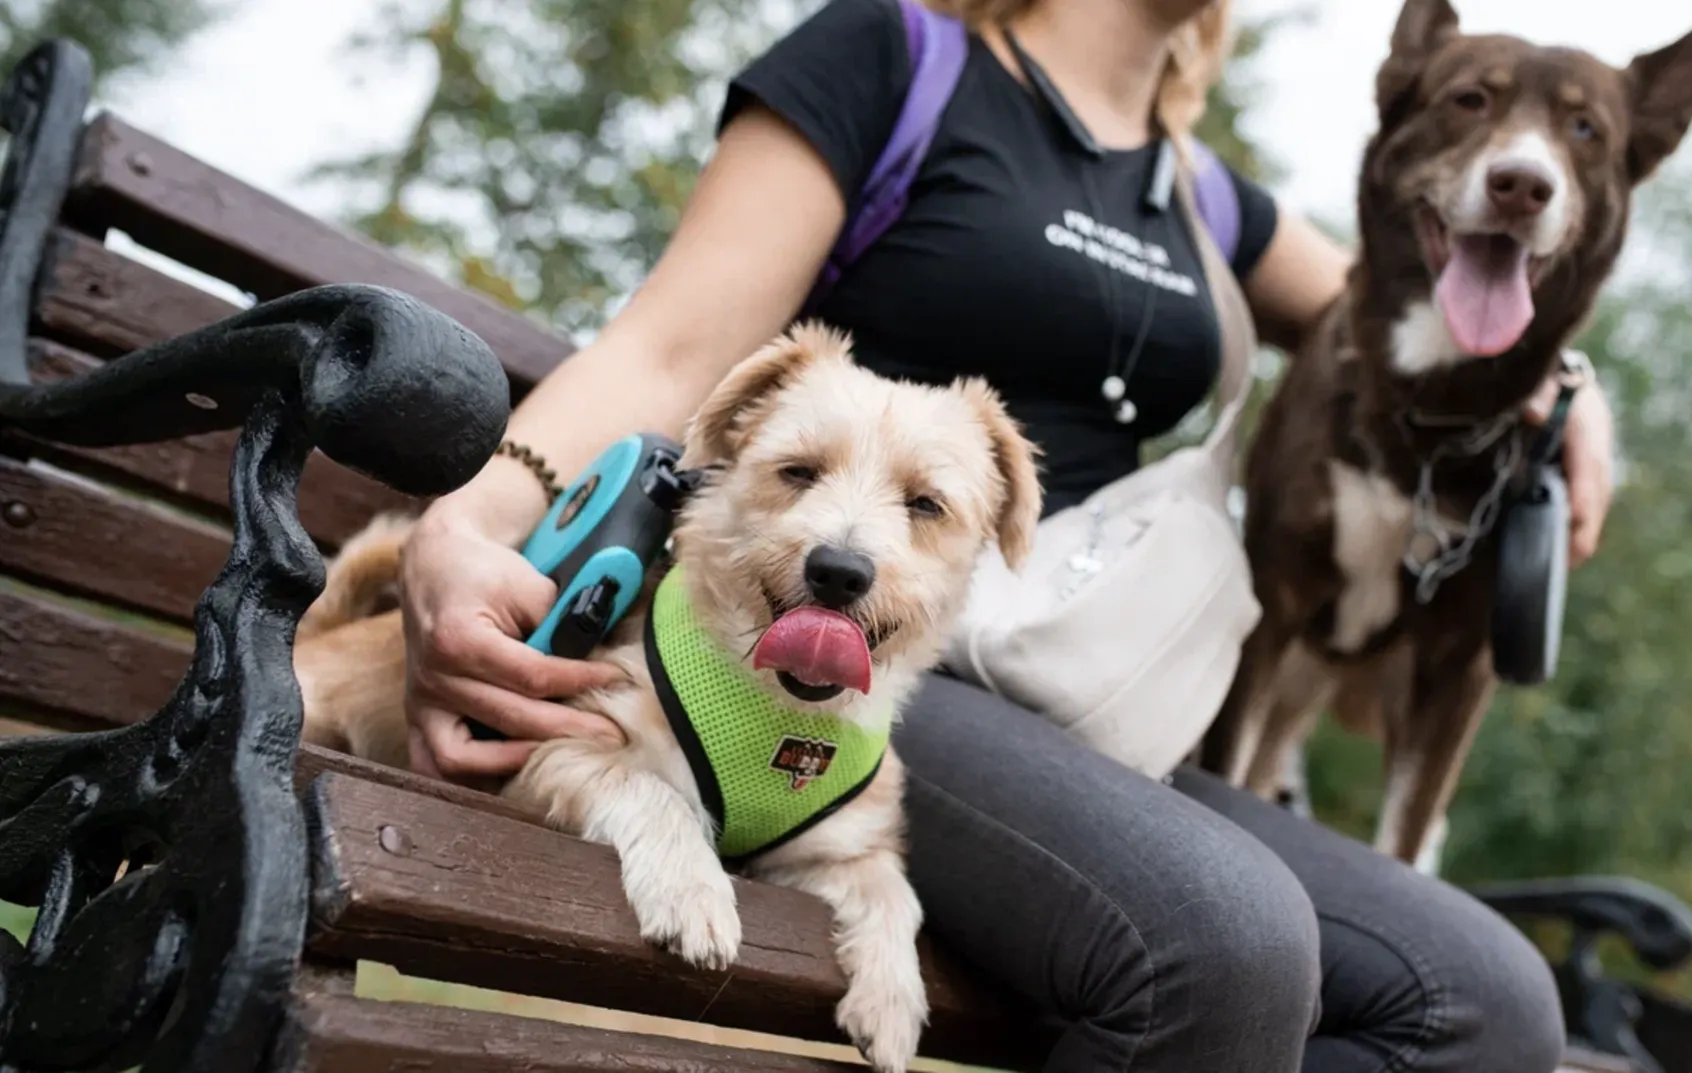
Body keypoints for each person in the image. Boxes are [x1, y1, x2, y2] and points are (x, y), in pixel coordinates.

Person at [393, 0, 1615, 1069]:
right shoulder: (896, 59)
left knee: (1488, 1003)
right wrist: (470, 522)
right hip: (866, 661)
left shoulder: (1205, 196)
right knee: (1224, 940)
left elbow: (1428, 305)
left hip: (1097, 689)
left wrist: (1574, 385)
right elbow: (669, 348)